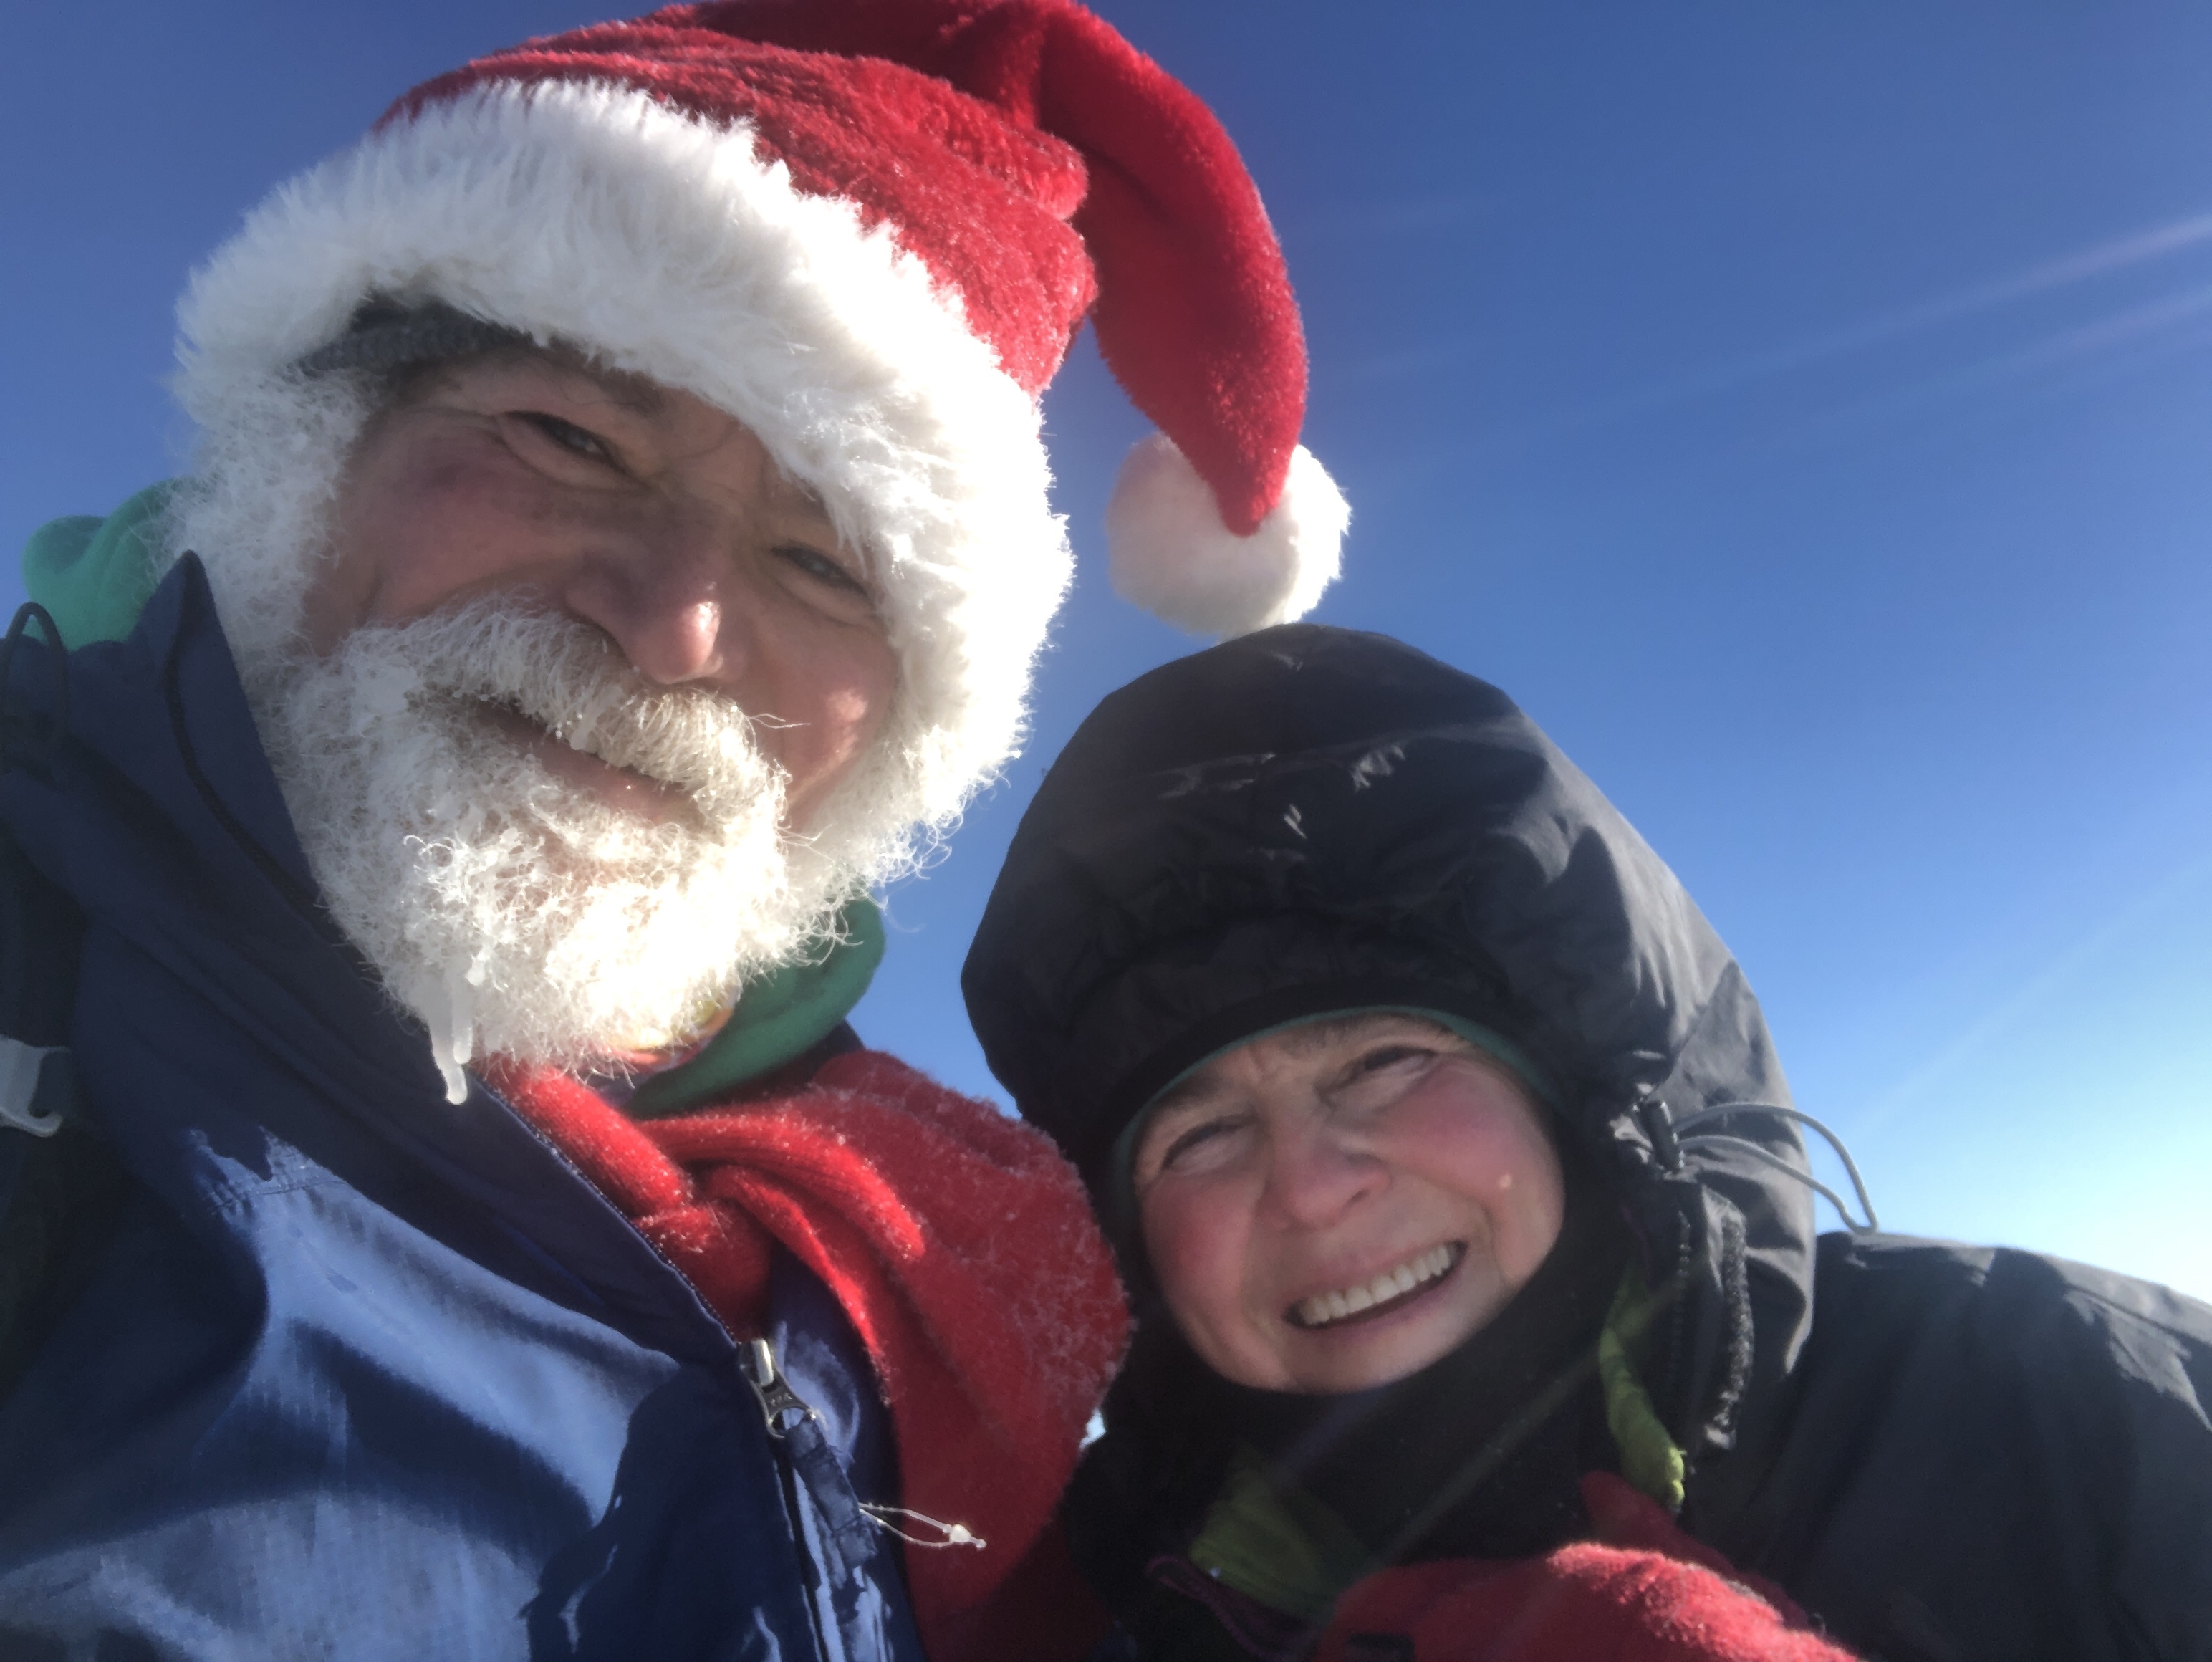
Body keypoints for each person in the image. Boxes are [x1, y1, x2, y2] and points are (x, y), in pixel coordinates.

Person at [0, 4, 1354, 1657]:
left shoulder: (922, 1259)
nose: (672, 629)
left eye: (820, 563)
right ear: (311, 446)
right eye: (568, 438)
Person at [963, 624, 2212, 1662]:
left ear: (1579, 1101)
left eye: (1386, 1063)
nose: (1310, 1186)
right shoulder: (1087, 1604)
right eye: (1201, 1134)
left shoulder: (2064, 1407)